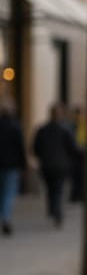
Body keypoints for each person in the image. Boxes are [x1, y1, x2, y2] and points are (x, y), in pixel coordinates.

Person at [32, 103, 79, 227]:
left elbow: (35, 148)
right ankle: (56, 210)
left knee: (51, 189)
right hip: (61, 165)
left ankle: (53, 209)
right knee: (58, 189)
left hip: (47, 165)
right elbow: (73, 147)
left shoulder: (42, 130)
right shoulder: (65, 129)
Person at [0, 98, 28, 235]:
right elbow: (20, 148)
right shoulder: (15, 127)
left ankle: (4, 217)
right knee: (8, 194)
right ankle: (6, 218)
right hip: (11, 166)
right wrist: (24, 166)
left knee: (4, 194)